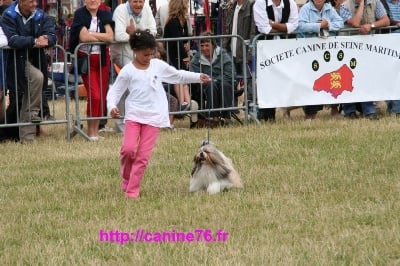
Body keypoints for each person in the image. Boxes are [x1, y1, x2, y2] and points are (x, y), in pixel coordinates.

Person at [106, 30, 211, 198]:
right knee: (128, 150)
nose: (148, 57)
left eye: (151, 54)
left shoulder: (158, 66)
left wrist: (198, 77)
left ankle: (132, 190)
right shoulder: (127, 71)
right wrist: (112, 106)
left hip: (153, 118)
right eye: (145, 54)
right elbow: (115, 92)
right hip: (134, 116)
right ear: (135, 50)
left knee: (142, 156)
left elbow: (177, 75)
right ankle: (126, 178)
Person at [1, 0, 56, 142]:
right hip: (15, 62)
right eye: (30, 1)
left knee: (32, 88)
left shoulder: (40, 14)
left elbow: (52, 33)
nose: (34, 4)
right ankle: (31, 117)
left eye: (35, 1)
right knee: (35, 80)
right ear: (20, 2)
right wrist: (34, 41)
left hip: (35, 60)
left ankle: (27, 136)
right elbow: (12, 40)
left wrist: (47, 38)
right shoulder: (8, 15)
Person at [69, 0, 114, 141]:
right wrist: (101, 37)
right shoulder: (80, 14)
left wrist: (92, 34)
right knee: (94, 96)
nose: (93, 1)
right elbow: (83, 37)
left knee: (101, 96)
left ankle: (96, 131)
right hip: (86, 60)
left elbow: (110, 37)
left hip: (103, 59)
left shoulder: (105, 13)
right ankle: (91, 132)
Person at [338, 0, 389, 119]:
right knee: (347, 78)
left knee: (367, 78)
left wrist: (371, 25)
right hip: (348, 48)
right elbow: (355, 23)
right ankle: (349, 111)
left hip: (368, 49)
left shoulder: (375, 2)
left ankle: (369, 110)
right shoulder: (344, 6)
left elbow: (386, 20)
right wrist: (361, 4)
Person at [111, 0, 156, 133]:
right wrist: (142, 35)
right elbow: (119, 35)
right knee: (124, 88)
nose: (138, 5)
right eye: (135, 1)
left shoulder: (147, 9)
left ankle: (141, 122)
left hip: (140, 55)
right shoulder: (120, 10)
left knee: (142, 88)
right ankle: (121, 126)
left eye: (141, 1)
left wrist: (133, 33)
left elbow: (153, 32)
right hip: (122, 55)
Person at [297, 0, 344, 120]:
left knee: (332, 79)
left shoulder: (329, 8)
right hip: (310, 52)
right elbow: (300, 25)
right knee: (311, 83)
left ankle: (334, 109)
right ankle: (310, 114)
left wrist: (328, 24)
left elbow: (340, 23)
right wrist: (318, 26)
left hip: (328, 52)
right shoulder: (306, 8)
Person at [253, 0, 298, 121]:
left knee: (289, 79)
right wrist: (284, 27)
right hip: (265, 50)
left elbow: (293, 26)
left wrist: (273, 24)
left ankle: (287, 110)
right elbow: (263, 28)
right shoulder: (260, 3)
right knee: (266, 81)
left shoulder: (291, 3)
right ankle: (267, 115)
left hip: (286, 49)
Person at [190, 31, 235, 126]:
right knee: (211, 85)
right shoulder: (196, 59)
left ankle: (227, 117)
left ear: (213, 45)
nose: (204, 48)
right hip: (205, 86)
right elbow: (193, 75)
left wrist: (215, 80)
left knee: (224, 84)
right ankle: (213, 118)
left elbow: (230, 74)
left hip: (223, 82)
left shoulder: (223, 55)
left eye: (207, 45)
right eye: (202, 46)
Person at [163, 0, 192, 111]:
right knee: (177, 77)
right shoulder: (172, 22)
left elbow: (183, 40)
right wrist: (185, 56)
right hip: (174, 55)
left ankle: (188, 104)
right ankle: (182, 102)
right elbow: (176, 42)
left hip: (181, 54)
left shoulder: (183, 21)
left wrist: (187, 45)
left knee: (183, 78)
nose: (187, 5)